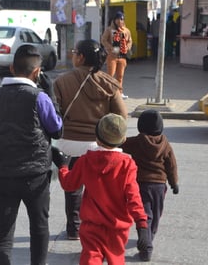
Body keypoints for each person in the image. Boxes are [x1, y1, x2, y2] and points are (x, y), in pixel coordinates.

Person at [0, 45, 63, 265]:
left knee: (2, 236)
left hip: (3, 174)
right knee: (38, 229)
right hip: (35, 176)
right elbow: (57, 129)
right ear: (37, 73)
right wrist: (51, 94)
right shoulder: (40, 98)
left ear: (11, 68)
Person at [53, 39, 128, 240]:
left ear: (82, 57)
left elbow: (54, 114)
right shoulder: (109, 84)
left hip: (69, 144)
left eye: (74, 52)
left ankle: (74, 228)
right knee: (99, 189)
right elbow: (121, 116)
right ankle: (98, 225)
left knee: (73, 186)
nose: (72, 55)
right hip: (99, 145)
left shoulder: (62, 81)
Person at [52, 113, 149, 264]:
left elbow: (69, 184)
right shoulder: (127, 164)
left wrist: (63, 166)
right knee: (116, 260)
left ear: (96, 137)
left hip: (91, 227)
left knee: (90, 259)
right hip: (117, 229)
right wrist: (142, 225)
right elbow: (133, 197)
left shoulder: (85, 160)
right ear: (123, 140)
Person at [121, 109, 179, 262]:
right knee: (156, 214)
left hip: (140, 184)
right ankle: (149, 239)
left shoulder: (137, 142)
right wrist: (174, 183)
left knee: (144, 215)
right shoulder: (165, 144)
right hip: (160, 186)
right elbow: (171, 166)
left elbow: (121, 143)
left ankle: (145, 241)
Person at [101, 11, 132, 99]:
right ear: (114, 20)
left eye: (121, 19)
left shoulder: (126, 30)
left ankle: (119, 92)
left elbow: (130, 41)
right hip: (112, 56)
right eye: (118, 19)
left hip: (122, 56)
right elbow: (103, 40)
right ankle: (108, 91)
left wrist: (128, 47)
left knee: (120, 76)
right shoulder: (109, 30)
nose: (119, 21)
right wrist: (110, 47)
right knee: (110, 74)